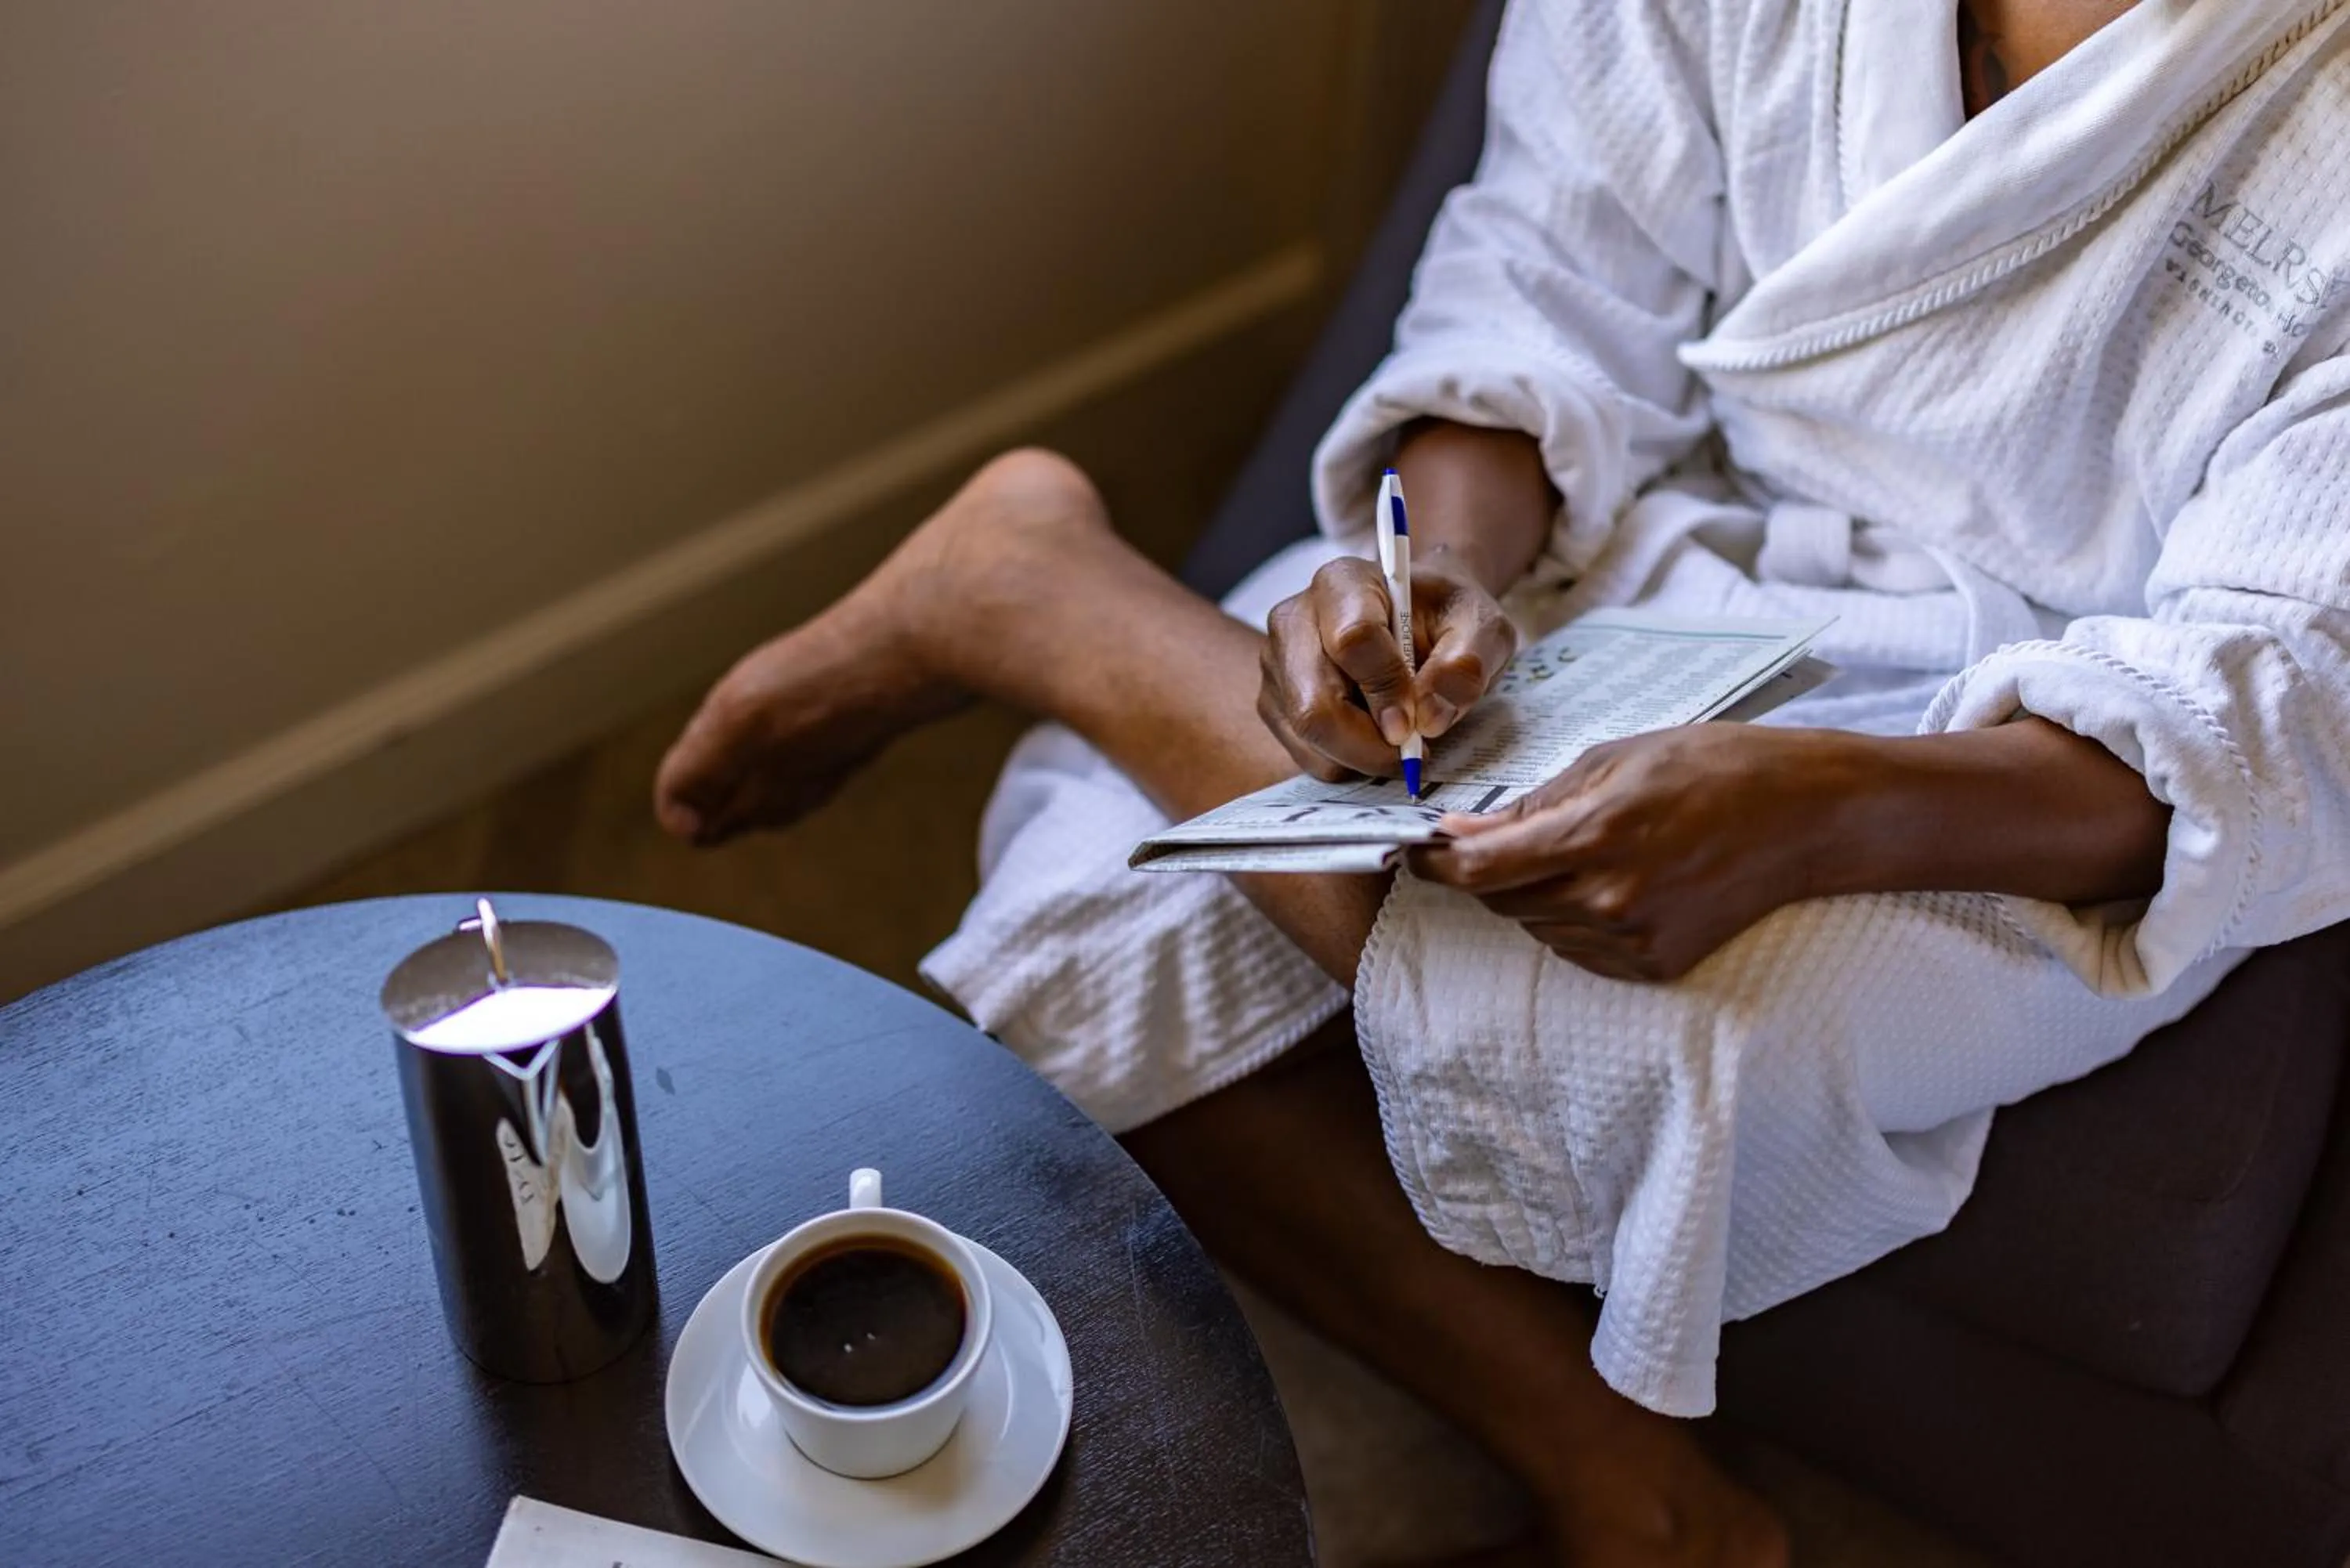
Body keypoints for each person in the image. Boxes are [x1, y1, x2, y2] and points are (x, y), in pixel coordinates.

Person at [655, 2, 2350, 1563]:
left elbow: (2289, 688)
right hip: (1662, 541)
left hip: (2025, 731)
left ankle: (1046, 604)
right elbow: (1544, 271)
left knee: (1698, 1022)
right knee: (1095, 871)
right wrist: (1436, 579)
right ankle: (1616, 1462)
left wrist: (1813, 806)